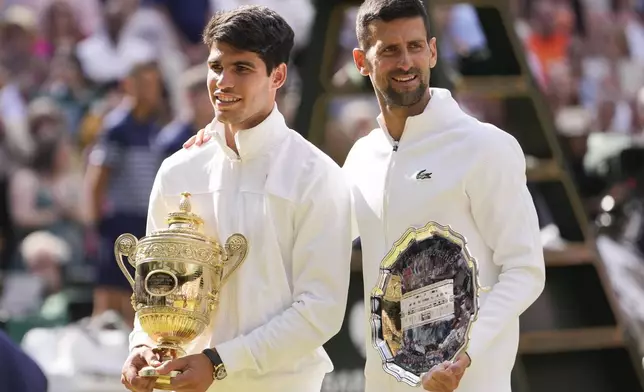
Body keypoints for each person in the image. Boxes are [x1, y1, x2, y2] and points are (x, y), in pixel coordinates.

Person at [186, 1, 546, 391]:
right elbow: (305, 234)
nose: (406, 62)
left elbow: (525, 270)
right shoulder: (362, 157)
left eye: (415, 47)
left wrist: (463, 352)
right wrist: (225, 140)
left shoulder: (486, 147)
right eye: (389, 50)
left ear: (433, 52)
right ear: (362, 61)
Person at [121, 5, 352, 392]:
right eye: (216, 67)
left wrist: (219, 363)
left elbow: (320, 311)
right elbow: (154, 291)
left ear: (277, 75)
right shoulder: (179, 170)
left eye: (242, 68)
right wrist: (143, 345)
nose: (222, 82)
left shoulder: (316, 174)